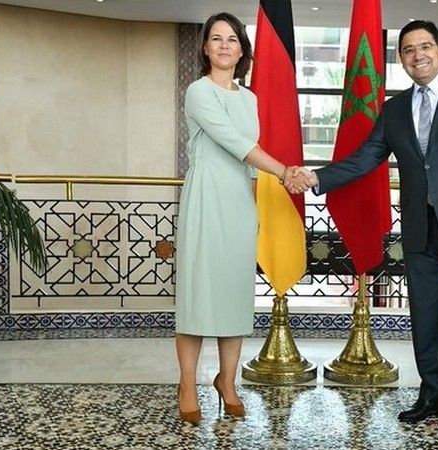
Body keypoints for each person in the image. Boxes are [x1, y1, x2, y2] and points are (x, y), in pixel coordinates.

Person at [286, 20, 438, 432]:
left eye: (425, 46)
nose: (417, 55)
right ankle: (432, 395)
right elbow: (366, 157)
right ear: (401, 59)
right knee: (425, 318)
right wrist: (317, 177)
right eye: (408, 50)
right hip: (419, 229)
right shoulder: (394, 109)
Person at [174, 12, 292, 425]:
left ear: (242, 50)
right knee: (197, 293)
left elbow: (248, 160)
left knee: (233, 293)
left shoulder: (249, 98)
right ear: (205, 48)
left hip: (240, 201)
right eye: (216, 38)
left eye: (232, 39)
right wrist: (285, 171)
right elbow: (236, 143)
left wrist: (256, 205)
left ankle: (227, 381)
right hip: (206, 197)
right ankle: (187, 383)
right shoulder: (198, 91)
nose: (224, 46)